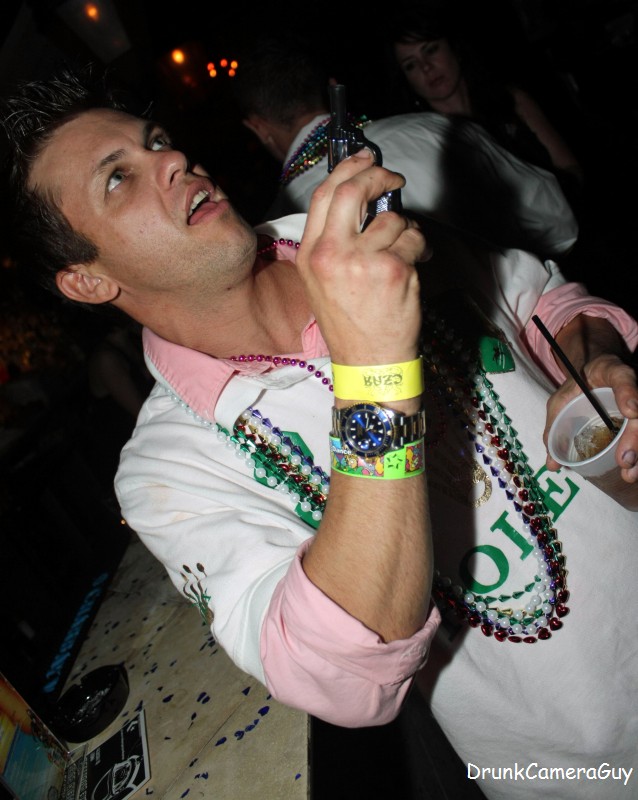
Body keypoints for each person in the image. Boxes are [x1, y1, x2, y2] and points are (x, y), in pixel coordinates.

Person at [2, 65, 638, 800]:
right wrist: (375, 367)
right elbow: (340, 675)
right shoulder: (169, 469)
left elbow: (544, 300)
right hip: (581, 768)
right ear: (86, 279)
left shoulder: (371, 235)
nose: (172, 159)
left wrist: (598, 360)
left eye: (157, 142)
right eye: (118, 179)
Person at [232, 38, 579, 261]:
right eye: (411, 64)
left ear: (257, 127)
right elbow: (558, 219)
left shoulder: (271, 238)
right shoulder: (434, 129)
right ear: (333, 89)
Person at [386, 2, 585, 206]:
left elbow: (571, 169)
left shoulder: (512, 101)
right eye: (411, 65)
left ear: (454, 48)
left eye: (431, 50)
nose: (426, 67)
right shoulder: (425, 141)